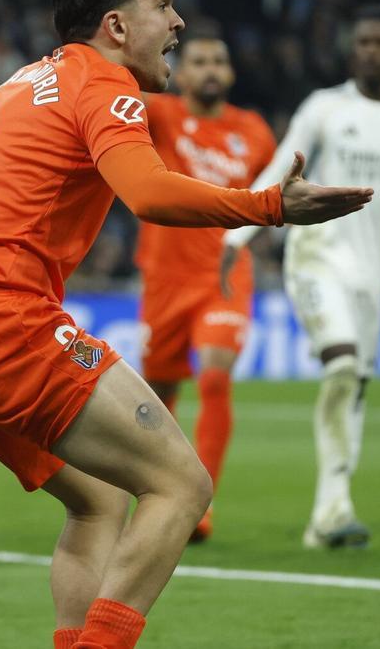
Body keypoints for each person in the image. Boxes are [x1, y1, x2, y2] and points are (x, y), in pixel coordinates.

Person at [0, 0, 373, 647]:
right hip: (0, 316)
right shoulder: (102, 80)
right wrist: (268, 206)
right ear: (117, 26)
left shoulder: (25, 80)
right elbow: (148, 193)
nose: (179, 22)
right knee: (182, 485)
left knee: (99, 501)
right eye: (163, 6)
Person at [221, 5, 380, 549]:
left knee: (355, 385)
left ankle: (330, 514)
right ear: (351, 49)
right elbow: (279, 168)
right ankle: (333, 510)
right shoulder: (324, 107)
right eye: (363, 41)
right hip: (316, 256)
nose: (371, 51)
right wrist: (236, 236)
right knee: (341, 366)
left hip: (370, 274)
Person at [134, 32, 277, 543]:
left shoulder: (254, 131)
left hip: (224, 276)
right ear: (182, 71)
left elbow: (271, 195)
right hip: (163, 278)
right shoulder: (160, 115)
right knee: (159, 393)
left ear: (231, 72)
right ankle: (163, 492)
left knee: (215, 378)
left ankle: (200, 505)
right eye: (199, 61)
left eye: (219, 60)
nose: (211, 69)